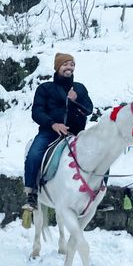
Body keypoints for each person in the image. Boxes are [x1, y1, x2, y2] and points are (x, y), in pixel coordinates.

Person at [23, 52, 93, 210]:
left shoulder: (79, 89)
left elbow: (89, 109)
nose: (69, 67)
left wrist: (76, 101)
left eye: (72, 64)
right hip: (50, 132)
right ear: (57, 67)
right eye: (65, 64)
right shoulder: (45, 88)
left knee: (98, 154)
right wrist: (53, 124)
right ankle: (32, 193)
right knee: (34, 154)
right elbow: (37, 112)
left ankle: (95, 195)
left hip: (76, 134)